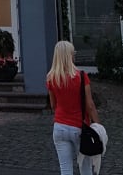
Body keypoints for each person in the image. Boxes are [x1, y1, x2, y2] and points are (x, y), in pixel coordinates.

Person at [46, 41, 101, 175]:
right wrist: (98, 126)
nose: (74, 55)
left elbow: (53, 105)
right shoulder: (81, 76)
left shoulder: (51, 78)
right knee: (85, 169)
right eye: (73, 53)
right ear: (69, 56)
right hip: (79, 127)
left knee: (65, 169)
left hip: (59, 127)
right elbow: (90, 105)